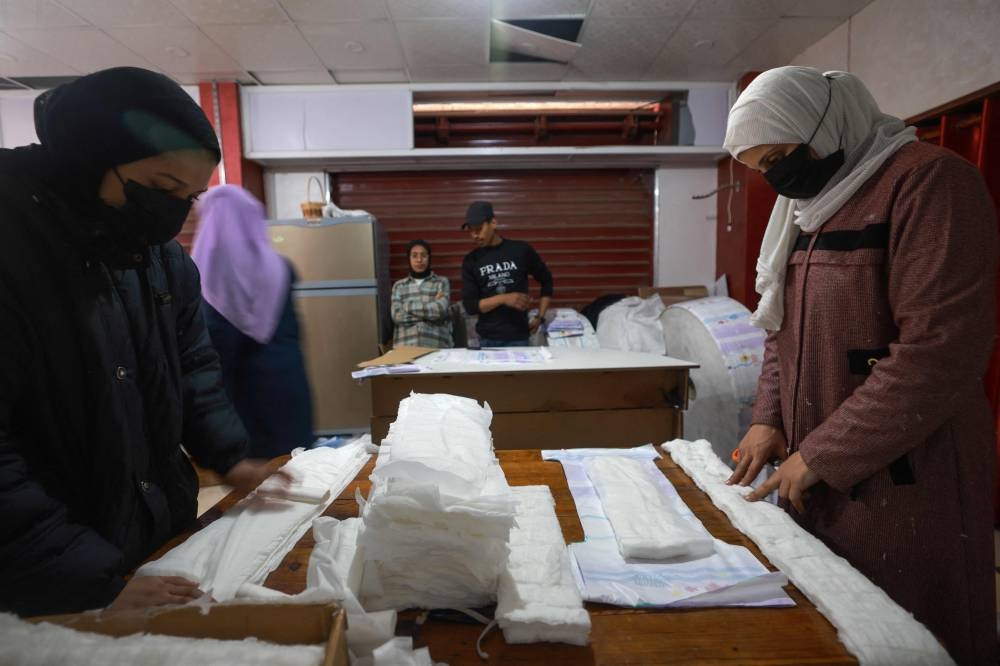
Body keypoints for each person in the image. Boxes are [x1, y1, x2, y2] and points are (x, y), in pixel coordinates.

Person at [724, 66, 997, 665]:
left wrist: (822, 455)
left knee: (914, 631)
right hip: (820, 462)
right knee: (838, 626)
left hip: (910, 471)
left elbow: (939, 352)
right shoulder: (810, 206)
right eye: (761, 168)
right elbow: (779, 326)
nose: (776, 178)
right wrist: (769, 415)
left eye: (779, 156)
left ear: (823, 126)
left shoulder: (928, 183)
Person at [0, 67, 281, 617]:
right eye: (161, 188)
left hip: (145, 543)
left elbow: (192, 367)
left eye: (191, 196)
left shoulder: (158, 257)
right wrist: (82, 577)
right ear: (88, 156)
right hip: (40, 574)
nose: (174, 212)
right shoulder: (13, 251)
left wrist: (229, 457)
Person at [192, 185, 315, 458]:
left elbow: (212, 361)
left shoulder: (209, 279)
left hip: (244, 409)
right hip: (290, 393)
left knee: (259, 494)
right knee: (300, 476)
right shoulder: (281, 266)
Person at [460, 201, 553, 347]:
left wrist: (540, 317)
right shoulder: (471, 260)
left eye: (479, 229)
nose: (475, 235)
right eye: (471, 231)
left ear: (493, 222)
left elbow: (547, 281)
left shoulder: (521, 250)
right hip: (487, 340)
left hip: (520, 338)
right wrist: (504, 298)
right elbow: (471, 306)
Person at [390, 239, 452, 348]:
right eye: (414, 256)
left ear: (429, 258)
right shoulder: (399, 286)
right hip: (405, 347)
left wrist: (407, 306)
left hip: (436, 346)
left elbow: (440, 311)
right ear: (408, 259)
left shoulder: (441, 282)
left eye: (423, 255)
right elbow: (397, 316)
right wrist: (430, 313)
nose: (419, 260)